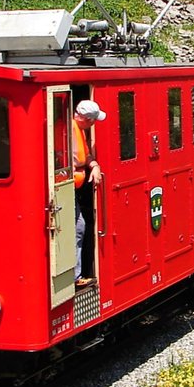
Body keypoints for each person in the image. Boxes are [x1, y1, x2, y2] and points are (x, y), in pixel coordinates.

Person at [72, 99, 105, 287]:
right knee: (78, 228)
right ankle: (74, 277)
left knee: (80, 227)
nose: (94, 124)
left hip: (74, 189)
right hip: (64, 189)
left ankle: (75, 276)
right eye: (93, 121)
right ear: (85, 118)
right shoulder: (66, 131)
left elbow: (86, 156)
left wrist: (94, 166)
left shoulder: (79, 131)